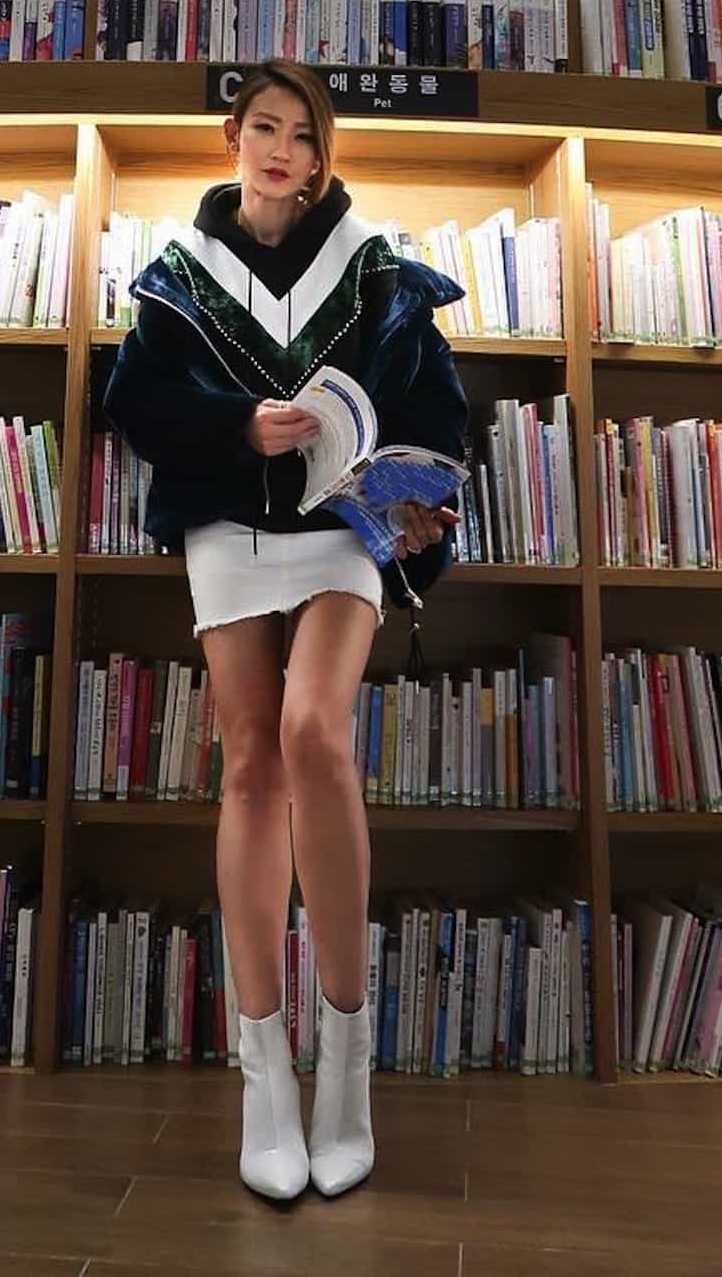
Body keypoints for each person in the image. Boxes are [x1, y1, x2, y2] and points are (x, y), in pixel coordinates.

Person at [103, 60, 467, 1202]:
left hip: (341, 530)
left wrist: (415, 495)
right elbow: (134, 405)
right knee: (251, 762)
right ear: (234, 136)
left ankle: (347, 1069)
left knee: (315, 732)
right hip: (227, 526)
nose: (280, 150)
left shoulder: (376, 267)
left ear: (320, 155)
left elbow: (436, 405)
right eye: (264, 127)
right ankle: (267, 1079)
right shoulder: (178, 276)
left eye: (302, 135)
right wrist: (236, 426)